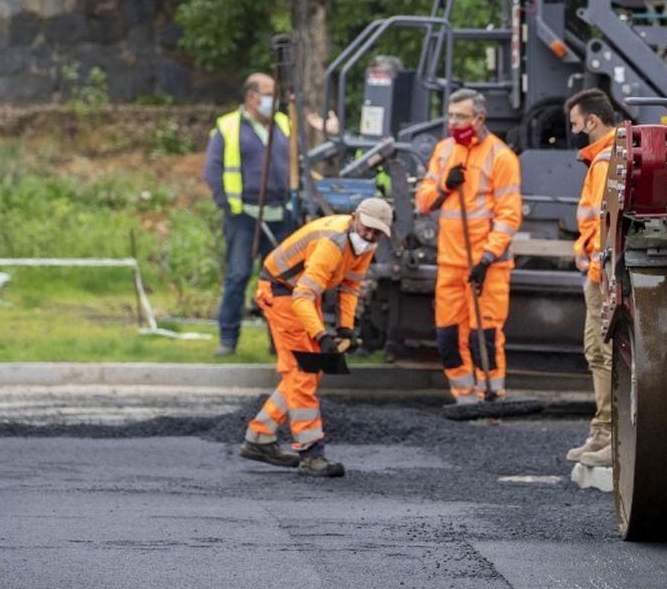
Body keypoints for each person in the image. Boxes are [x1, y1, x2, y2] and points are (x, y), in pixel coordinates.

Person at [240, 197, 394, 477]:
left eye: (377, 233)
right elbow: (302, 296)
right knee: (303, 372)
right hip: (283, 292)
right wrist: (322, 336)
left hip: (300, 294)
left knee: (304, 373)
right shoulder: (332, 242)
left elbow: (349, 288)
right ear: (354, 218)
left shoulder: (364, 246)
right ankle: (311, 454)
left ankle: (260, 436)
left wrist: (346, 329)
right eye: (367, 229)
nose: (370, 236)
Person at [413, 90, 522, 403]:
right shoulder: (444, 151)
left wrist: (486, 259)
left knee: (483, 335)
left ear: (479, 118)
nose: (453, 122)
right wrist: (445, 185)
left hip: (488, 265)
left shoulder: (501, 157)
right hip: (450, 261)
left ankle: (492, 393)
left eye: (460, 116)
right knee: (447, 335)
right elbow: (423, 202)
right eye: (450, 116)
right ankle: (464, 396)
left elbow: (508, 215)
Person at [203, 74, 295, 356]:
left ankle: (277, 341)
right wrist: (227, 205)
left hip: (280, 215)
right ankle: (228, 340)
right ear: (252, 96)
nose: (273, 99)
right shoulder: (229, 126)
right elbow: (213, 169)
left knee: (279, 281)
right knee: (238, 275)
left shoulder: (283, 123)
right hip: (244, 216)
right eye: (269, 93)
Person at [563, 90, 619, 467]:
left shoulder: (603, 160)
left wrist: (597, 273)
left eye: (575, 123)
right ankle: (603, 431)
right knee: (598, 353)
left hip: (601, 275)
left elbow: (602, 225)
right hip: (601, 271)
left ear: (592, 121)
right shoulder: (610, 155)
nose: (573, 130)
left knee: (603, 353)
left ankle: (611, 434)